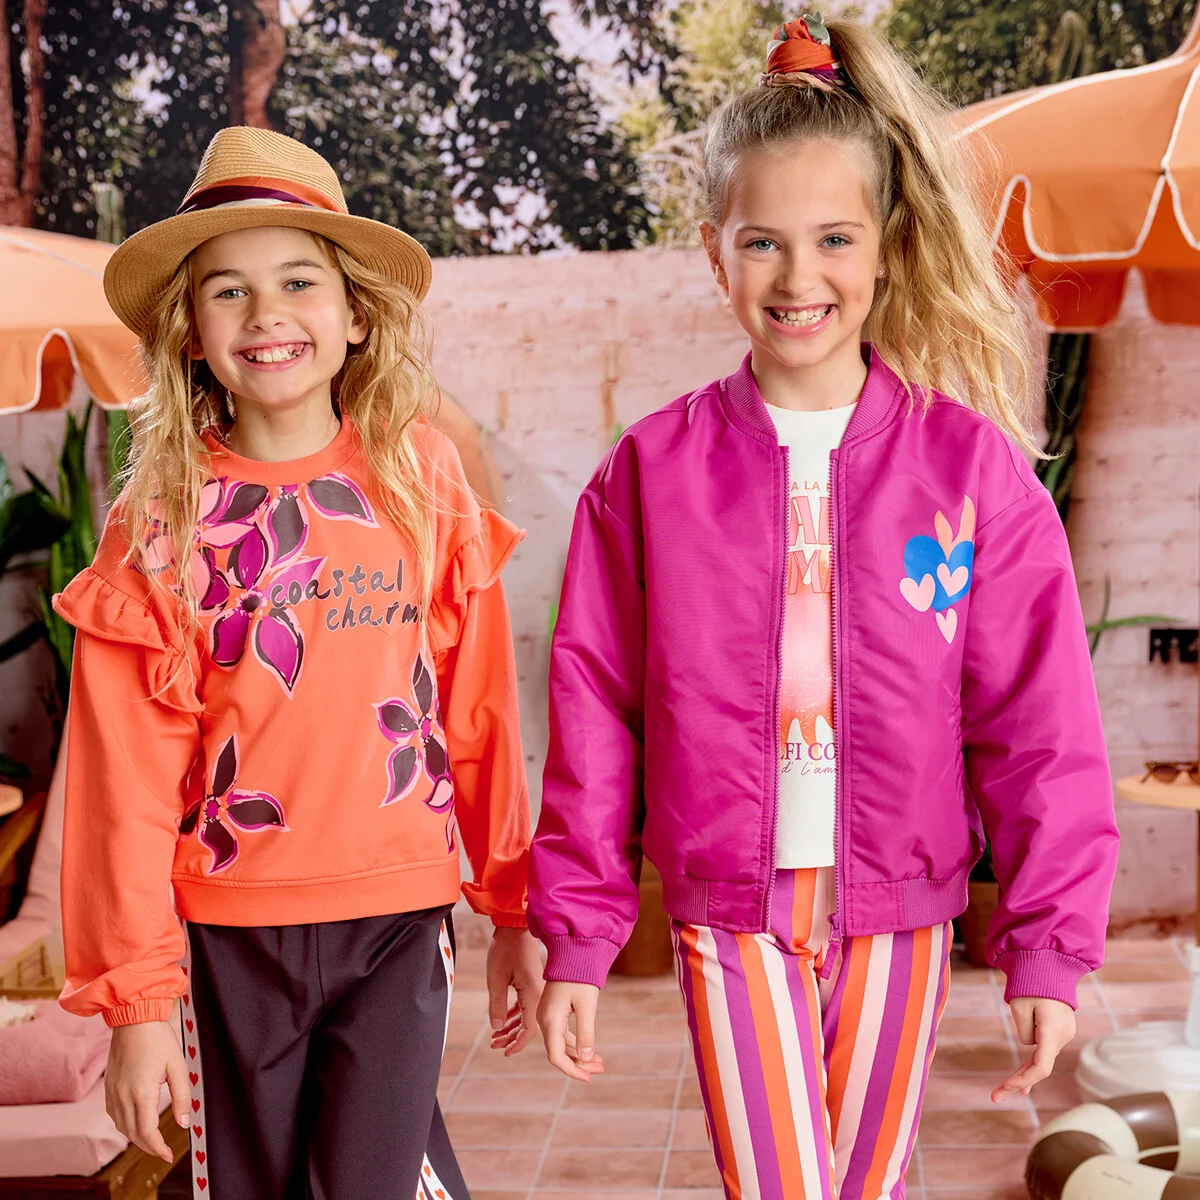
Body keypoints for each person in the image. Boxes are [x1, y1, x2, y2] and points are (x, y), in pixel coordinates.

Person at [528, 15, 1119, 1199]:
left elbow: (1040, 723)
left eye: (835, 238)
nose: (799, 280)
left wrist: (1048, 949)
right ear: (715, 252)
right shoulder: (649, 474)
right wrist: (580, 932)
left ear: (886, 245)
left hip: (903, 906)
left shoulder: (969, 472)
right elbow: (594, 710)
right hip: (730, 909)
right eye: (763, 243)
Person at [54, 126, 541, 1200]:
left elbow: (479, 715)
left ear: (356, 313)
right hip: (229, 932)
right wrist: (137, 1005)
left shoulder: (423, 480)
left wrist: (513, 906)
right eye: (227, 290)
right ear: (191, 332)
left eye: (297, 281)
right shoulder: (161, 522)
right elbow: (122, 784)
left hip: (397, 921)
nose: (265, 313)